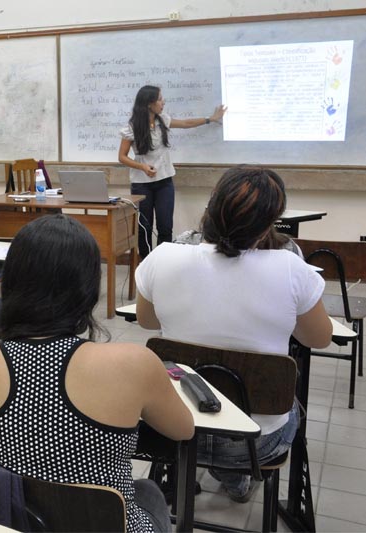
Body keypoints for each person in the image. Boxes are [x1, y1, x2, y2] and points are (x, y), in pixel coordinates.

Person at [0, 214, 194, 533]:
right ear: (87, 288)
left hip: (21, 523)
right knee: (148, 490)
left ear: (10, 282)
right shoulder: (135, 363)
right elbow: (183, 430)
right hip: (103, 523)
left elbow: (35, 434)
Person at [135, 165, 332, 502]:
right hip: (256, 444)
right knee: (291, 404)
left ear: (211, 209)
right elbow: (319, 338)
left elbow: (147, 322)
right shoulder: (291, 268)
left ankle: (213, 474)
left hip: (174, 429)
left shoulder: (162, 256)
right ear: (269, 223)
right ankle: (234, 476)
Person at [118, 85, 227, 259]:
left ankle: (164, 262)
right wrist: (143, 167)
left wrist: (211, 119)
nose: (163, 102)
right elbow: (122, 157)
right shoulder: (131, 127)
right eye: (160, 99)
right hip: (141, 185)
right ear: (149, 103)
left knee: (165, 226)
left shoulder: (163, 119)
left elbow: (186, 123)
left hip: (165, 182)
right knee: (144, 227)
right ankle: (146, 263)